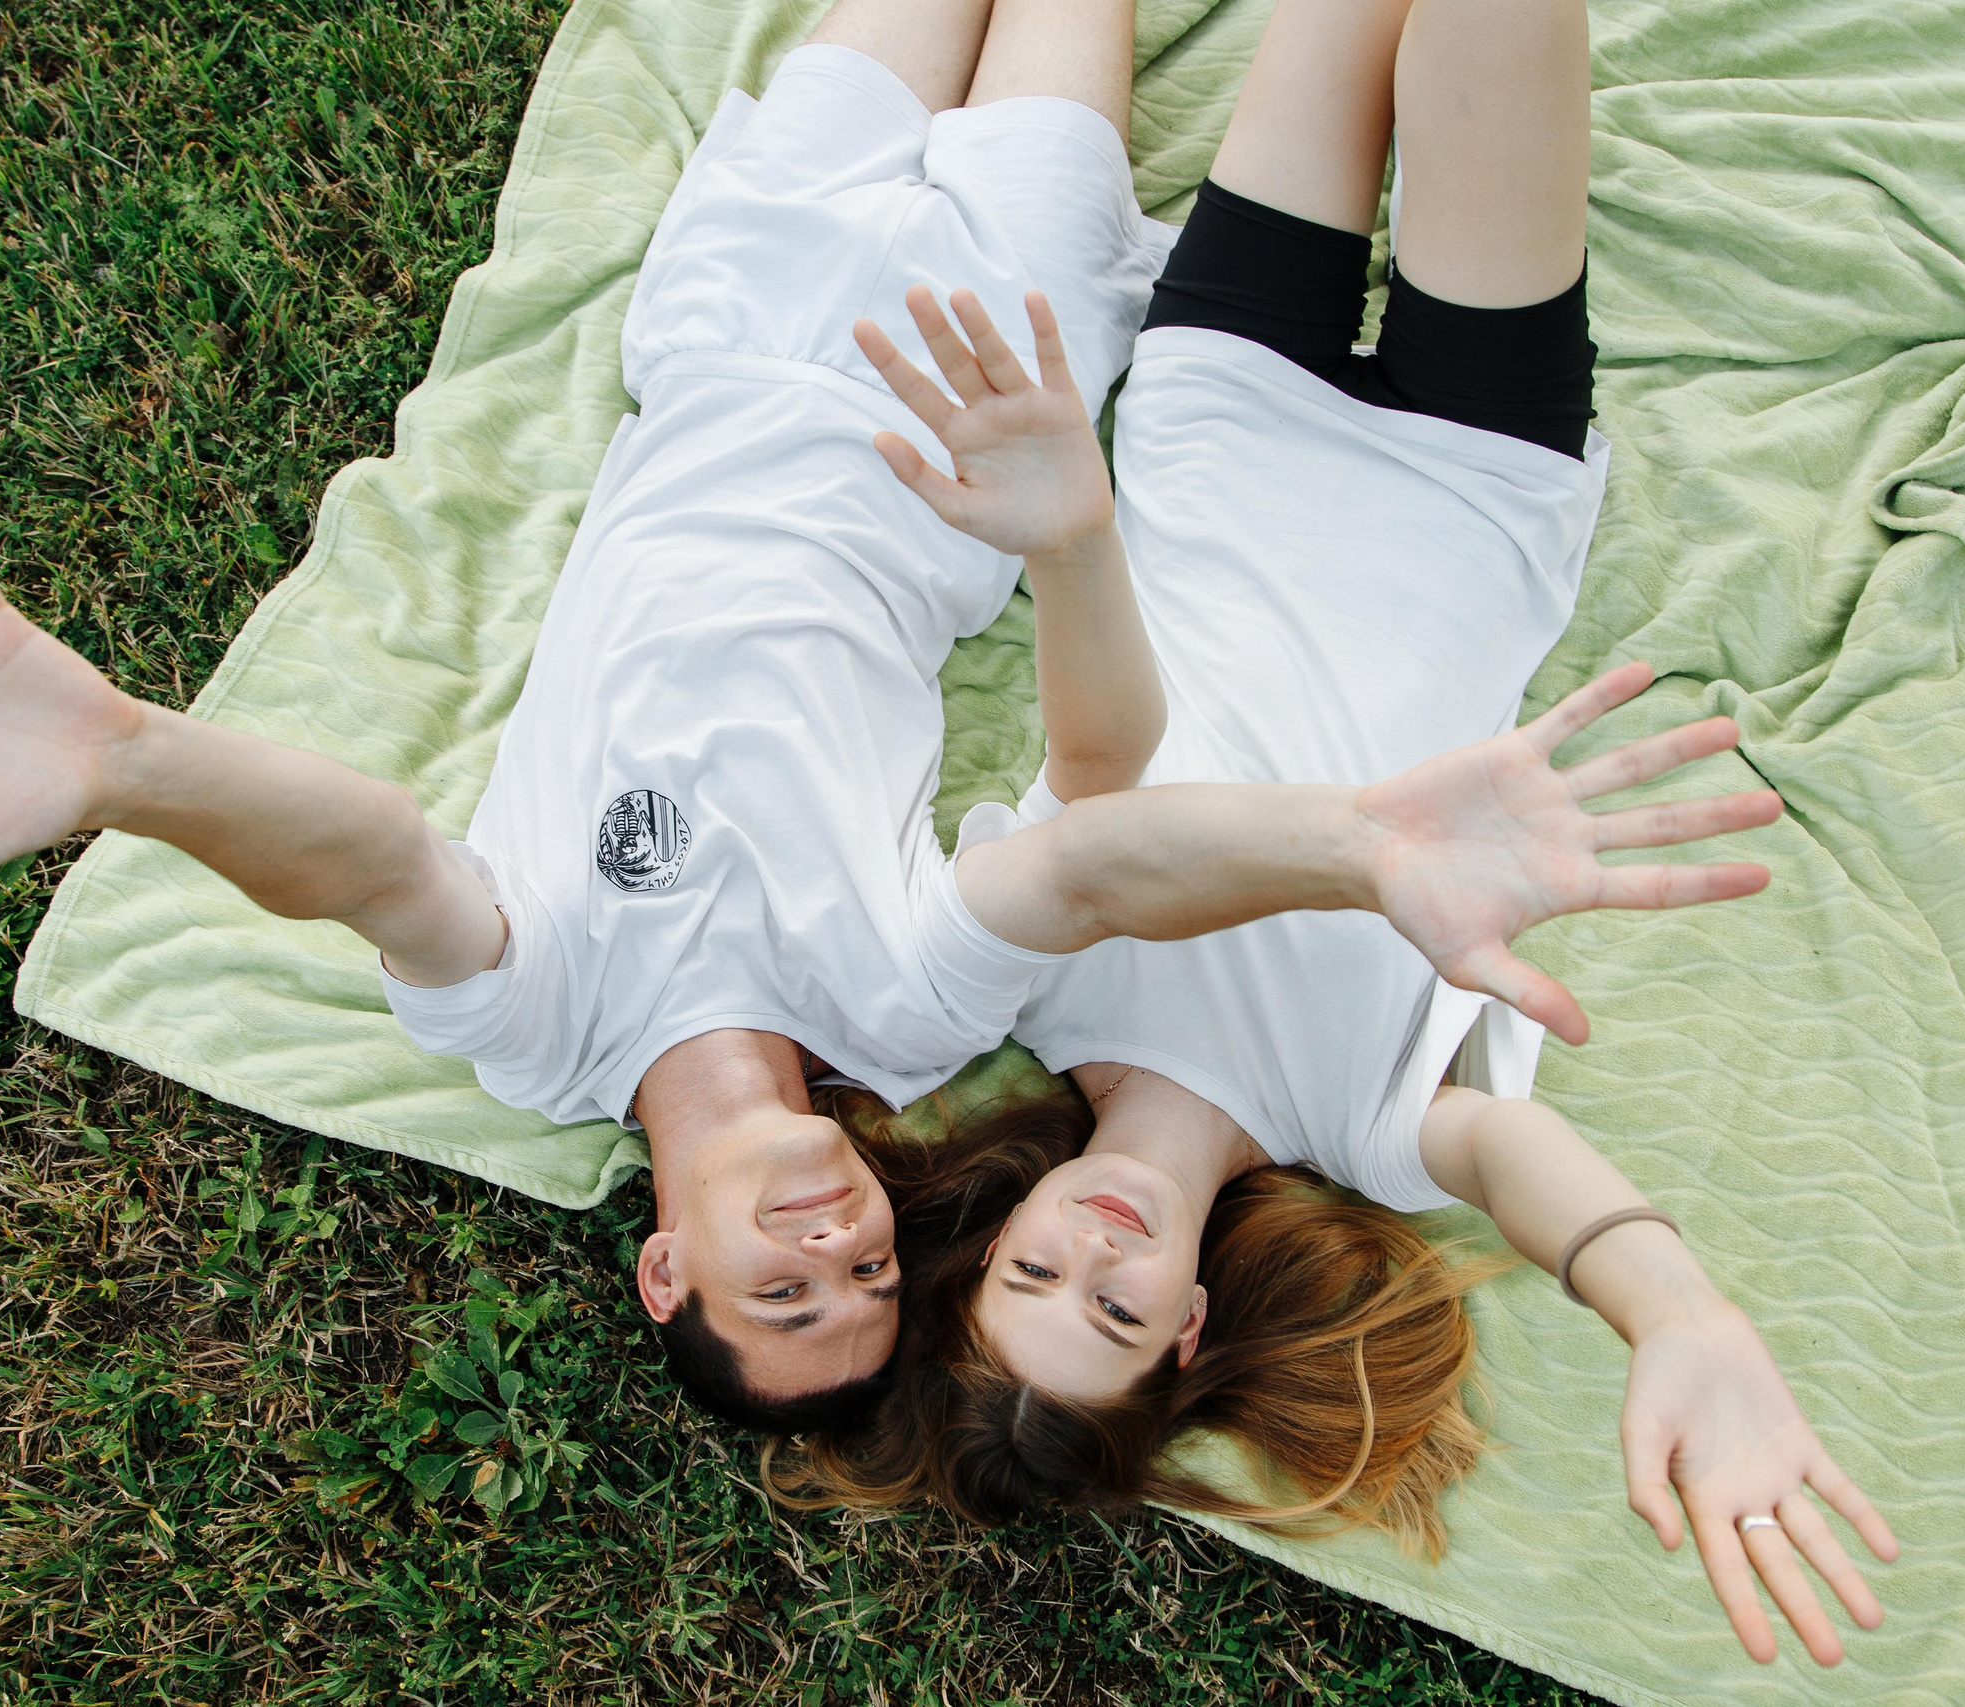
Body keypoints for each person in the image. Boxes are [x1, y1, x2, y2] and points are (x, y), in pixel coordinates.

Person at [0, 0, 1774, 1434]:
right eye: (869, 1271)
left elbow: (375, 860)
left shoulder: (535, 1025)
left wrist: (133, 767)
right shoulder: (912, 1012)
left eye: (786, 1291)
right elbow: (1098, 833)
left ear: (664, 1270)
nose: (840, 1236)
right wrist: (1342, 836)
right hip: (969, 373)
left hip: (727, 319)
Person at [770, 0, 1900, 1671]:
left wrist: (1080, 537)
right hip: (1474, 481)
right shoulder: (1364, 1128)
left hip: (1223, 425)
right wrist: (1686, 1316)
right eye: (1119, 1316)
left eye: (1033, 1279)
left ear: (994, 1238)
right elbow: (1524, 1170)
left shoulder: (1013, 1000)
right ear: (1193, 1330)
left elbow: (1103, 767)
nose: (1096, 1258)